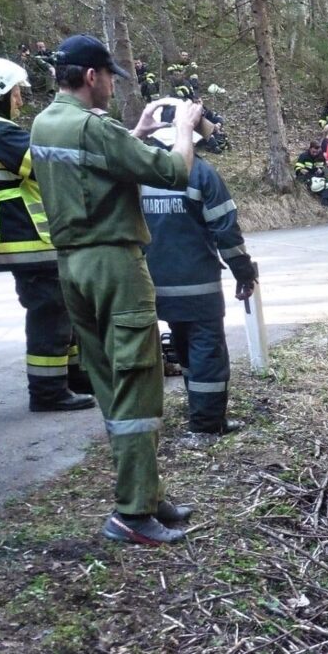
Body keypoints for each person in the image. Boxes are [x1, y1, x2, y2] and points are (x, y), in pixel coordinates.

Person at [30, 33, 203, 546]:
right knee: (138, 383)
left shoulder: (46, 122)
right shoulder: (95, 127)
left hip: (74, 267)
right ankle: (132, 512)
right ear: (91, 76)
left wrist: (136, 131)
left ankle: (145, 492)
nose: (111, 85)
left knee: (110, 381)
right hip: (114, 265)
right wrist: (184, 130)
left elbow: (92, 166)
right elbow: (173, 171)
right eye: (109, 76)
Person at [0, 57, 94, 413]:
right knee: (50, 312)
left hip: (18, 236)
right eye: (17, 91)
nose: (20, 99)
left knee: (61, 307)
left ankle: (75, 376)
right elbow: (45, 166)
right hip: (26, 237)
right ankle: (48, 392)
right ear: (0, 92)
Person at [139, 109, 257, 438]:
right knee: (207, 350)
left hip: (150, 283)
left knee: (183, 342)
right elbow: (226, 231)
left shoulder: (139, 171)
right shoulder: (202, 173)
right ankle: (207, 424)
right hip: (197, 284)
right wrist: (243, 272)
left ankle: (198, 408)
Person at [294, 138, 328, 209]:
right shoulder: (304, 156)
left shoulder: (321, 157)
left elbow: (325, 168)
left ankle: (326, 205)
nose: (315, 154)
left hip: (318, 177)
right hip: (306, 176)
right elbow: (297, 167)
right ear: (310, 148)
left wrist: (321, 170)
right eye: (313, 152)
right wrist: (301, 170)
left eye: (317, 152)